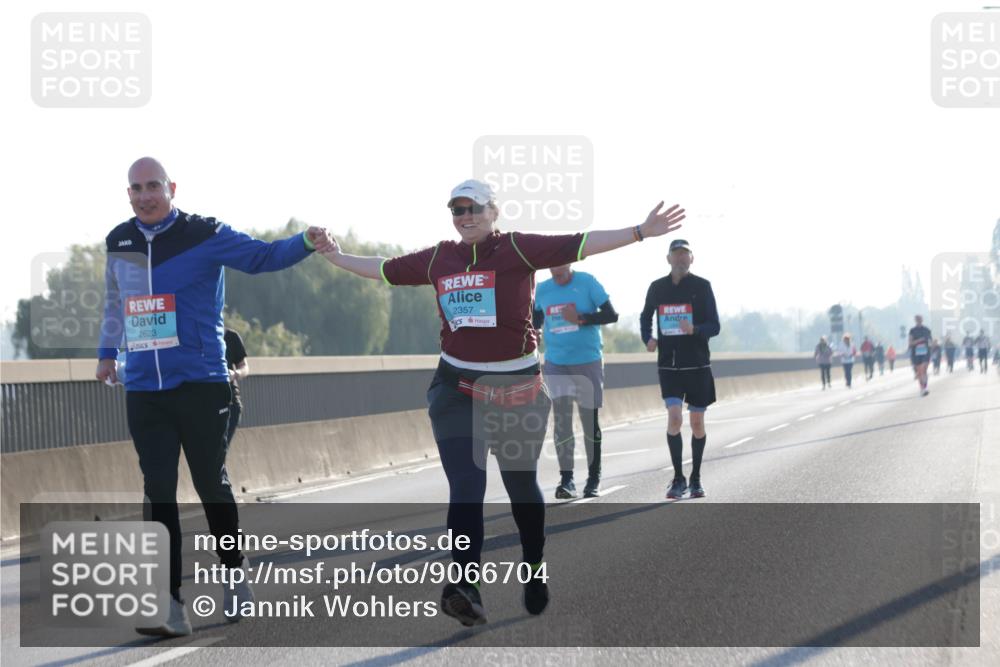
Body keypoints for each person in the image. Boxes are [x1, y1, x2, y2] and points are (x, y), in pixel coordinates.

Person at [313, 179, 685, 626]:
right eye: (457, 209)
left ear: (494, 211)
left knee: (519, 486)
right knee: (467, 487)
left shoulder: (518, 249)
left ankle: (532, 567)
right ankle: (466, 585)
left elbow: (581, 242)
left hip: (518, 390)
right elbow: (383, 268)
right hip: (456, 387)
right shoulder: (439, 257)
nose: (464, 216)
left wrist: (640, 232)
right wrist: (334, 256)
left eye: (473, 208)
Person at [96, 157, 330, 637]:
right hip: (143, 386)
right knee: (157, 491)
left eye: (153, 186)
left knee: (210, 484)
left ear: (172, 188)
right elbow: (113, 305)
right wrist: (106, 354)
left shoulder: (204, 234)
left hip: (201, 382)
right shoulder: (119, 241)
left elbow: (263, 257)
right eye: (136, 188)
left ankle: (234, 574)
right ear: (129, 194)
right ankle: (169, 604)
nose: (145, 196)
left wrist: (305, 242)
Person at [640, 239, 721, 500]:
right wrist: (648, 338)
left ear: (692, 259)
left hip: (698, 364)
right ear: (668, 259)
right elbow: (645, 316)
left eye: (685, 255)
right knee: (674, 419)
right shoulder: (657, 287)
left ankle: (696, 477)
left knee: (697, 423)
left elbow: (715, 326)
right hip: (669, 364)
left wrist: (695, 329)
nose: (681, 260)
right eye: (676, 255)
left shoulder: (702, 286)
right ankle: (678, 478)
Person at [532, 264, 618, 499]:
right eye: (552, 269)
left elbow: (611, 314)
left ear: (569, 264)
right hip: (556, 362)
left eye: (560, 268)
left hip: (587, 360)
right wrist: (534, 332)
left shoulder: (587, 282)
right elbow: (534, 320)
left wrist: (581, 318)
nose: (556, 273)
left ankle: (593, 477)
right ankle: (567, 479)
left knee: (589, 421)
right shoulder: (542, 289)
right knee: (562, 421)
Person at [224, 327, 250, 451]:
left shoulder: (230, 336)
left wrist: (235, 374)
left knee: (220, 451)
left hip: (230, 402)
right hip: (203, 403)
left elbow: (244, 367)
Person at [908, 315, 933, 396]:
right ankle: (922, 388)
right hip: (916, 353)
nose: (919, 320)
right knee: (919, 371)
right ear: (915, 320)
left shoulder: (927, 330)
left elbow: (930, 342)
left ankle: (925, 387)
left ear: (922, 320)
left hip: (925, 352)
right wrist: (919, 340)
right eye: (917, 319)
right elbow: (910, 343)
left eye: (920, 319)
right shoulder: (912, 330)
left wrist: (931, 347)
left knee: (924, 369)